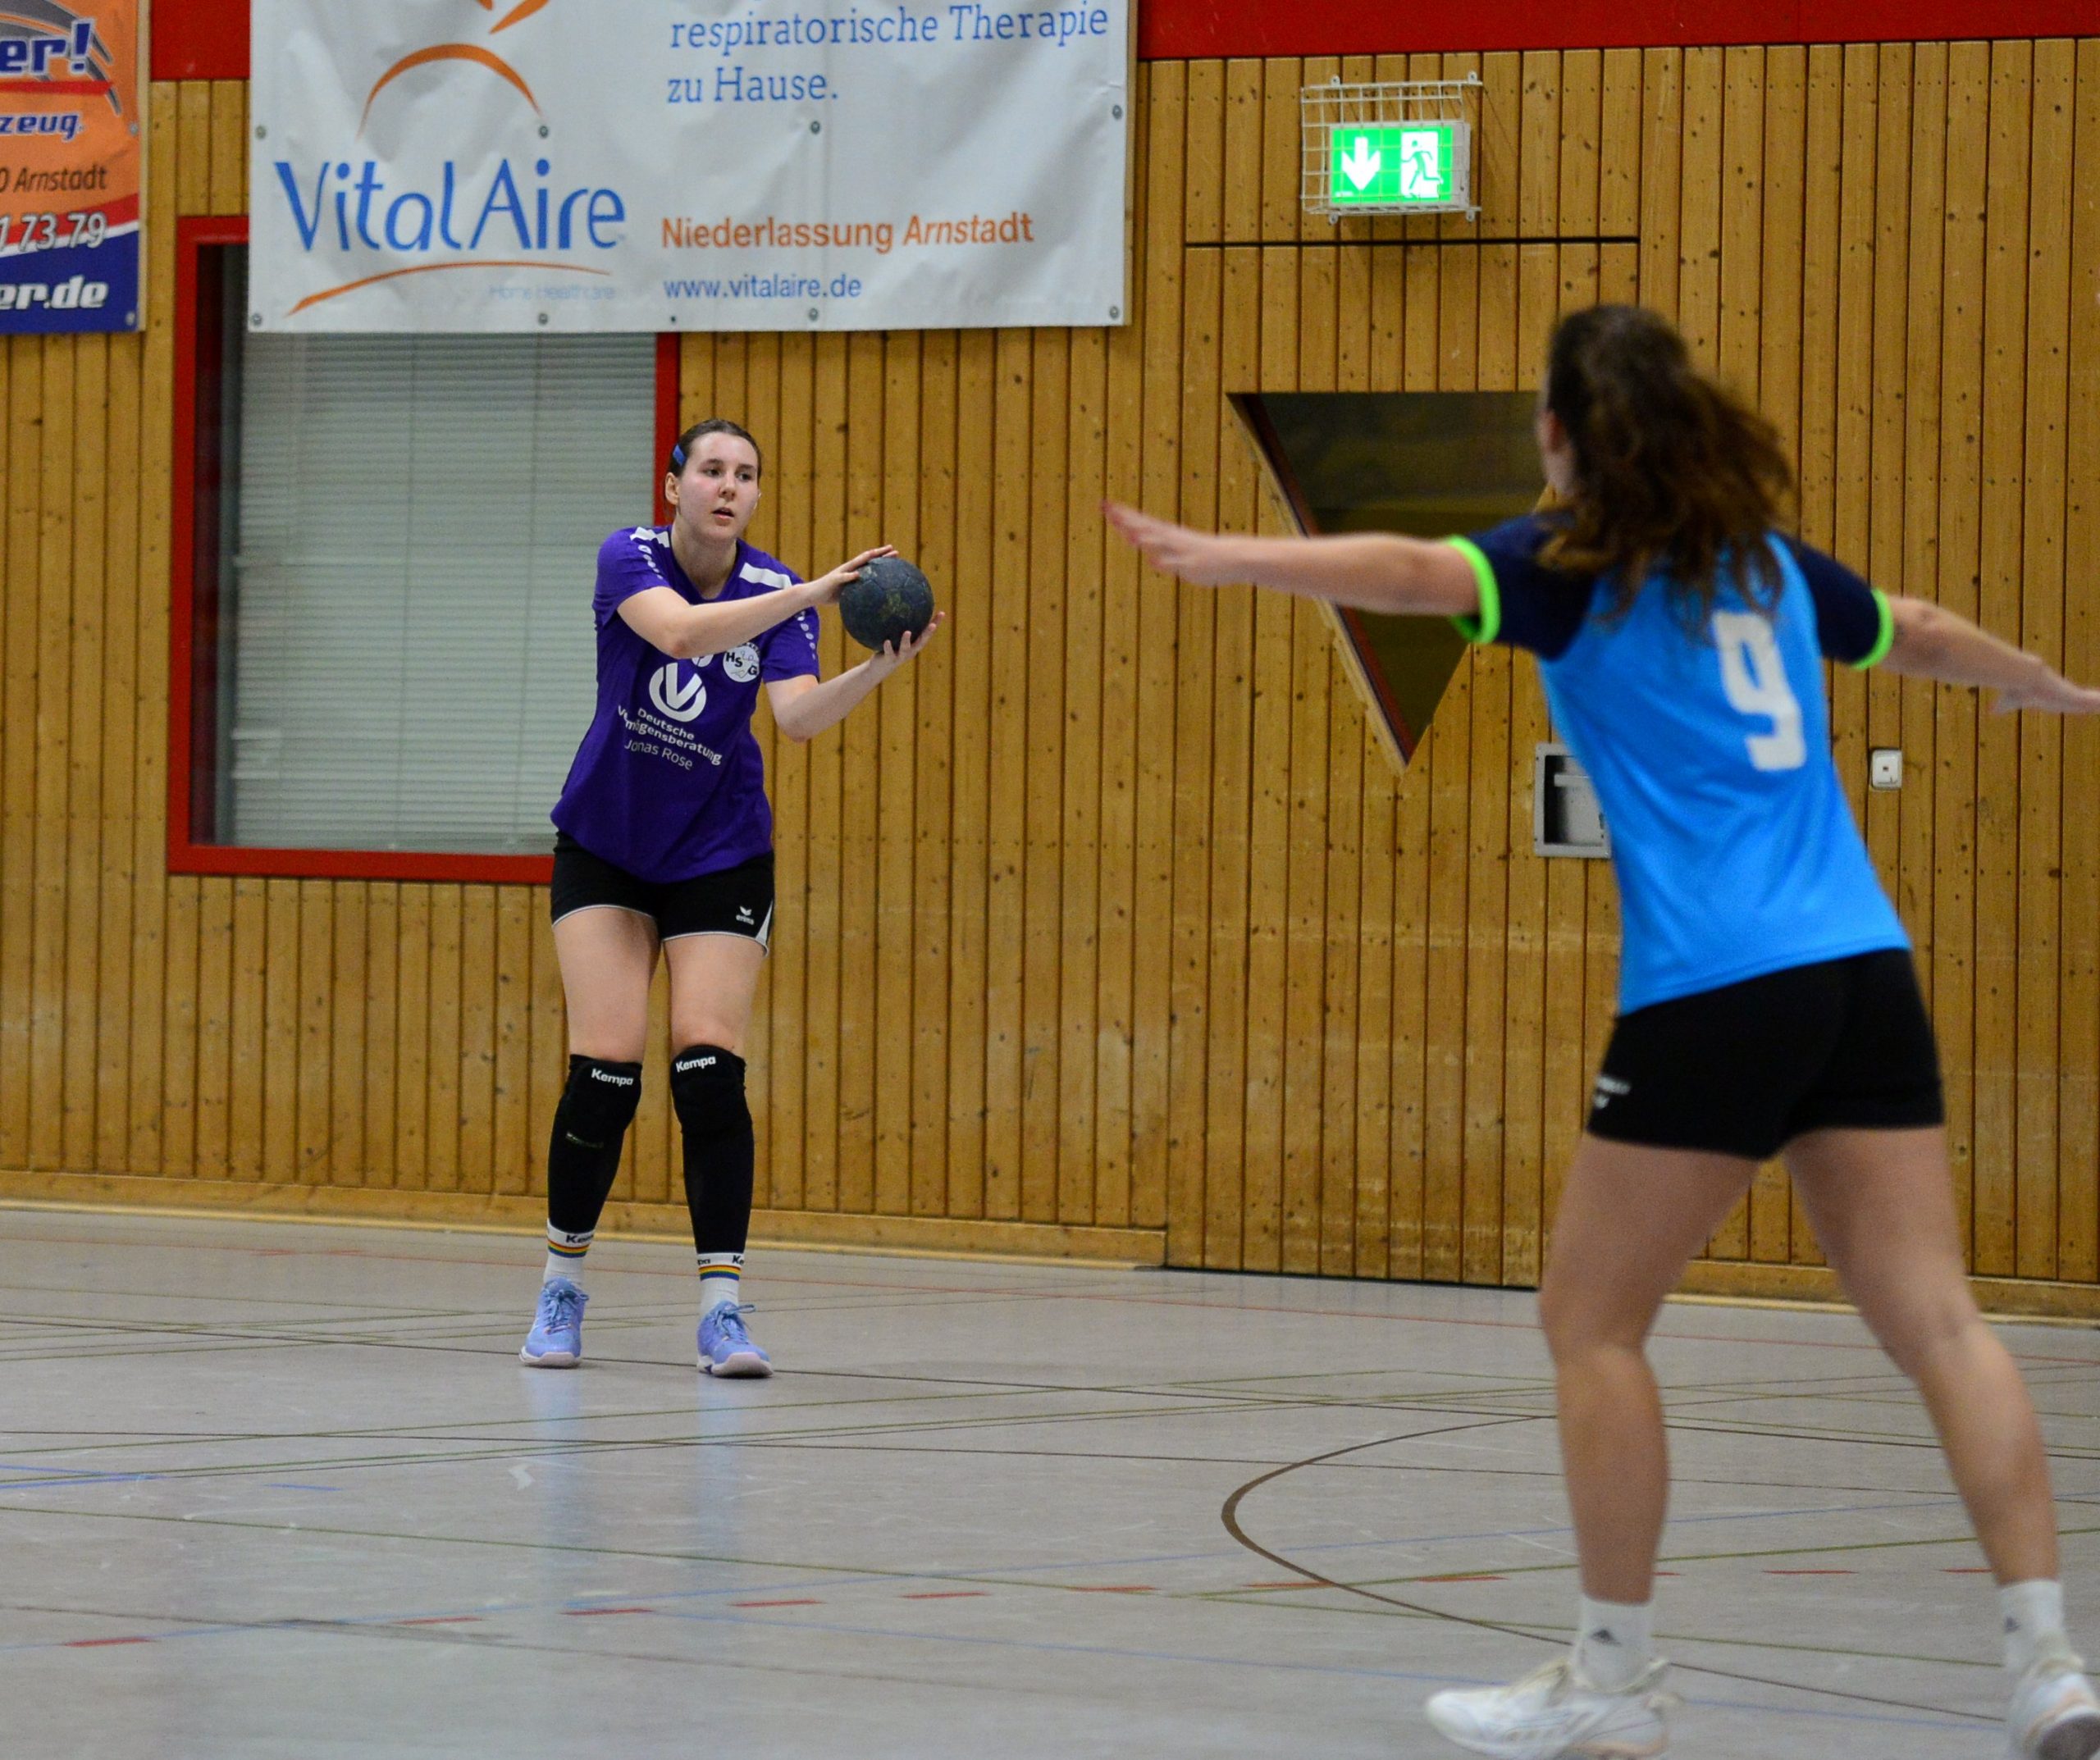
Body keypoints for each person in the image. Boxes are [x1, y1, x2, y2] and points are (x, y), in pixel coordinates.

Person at [1107, 303, 2100, 1760]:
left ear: (1560, 433)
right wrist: (2036, 682)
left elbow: (1410, 571)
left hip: (1715, 989)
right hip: (1863, 973)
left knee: (1592, 1324)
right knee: (1942, 1320)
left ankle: (1615, 1681)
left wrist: (1233, 553)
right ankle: (2049, 1665)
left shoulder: (1564, 571)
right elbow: (1926, 632)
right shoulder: (1767, 566)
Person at [521, 417, 938, 1378]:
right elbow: (677, 632)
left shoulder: (777, 589)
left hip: (719, 853)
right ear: (675, 485)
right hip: (608, 846)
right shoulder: (630, 556)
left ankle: (721, 1310)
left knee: (708, 1070)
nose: (728, 486)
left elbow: (796, 718)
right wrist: (814, 591)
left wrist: (876, 668)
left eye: (745, 475)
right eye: (711, 469)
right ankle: (560, 1288)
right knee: (606, 1074)